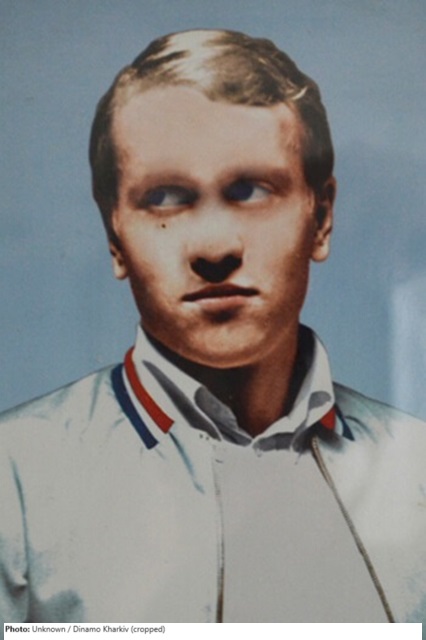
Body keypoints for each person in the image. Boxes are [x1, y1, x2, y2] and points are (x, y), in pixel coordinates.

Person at [1, 29, 425, 625]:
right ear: (114, 237)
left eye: (250, 190)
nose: (215, 247)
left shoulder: (417, 470)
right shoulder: (12, 480)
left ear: (322, 217)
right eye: (165, 198)